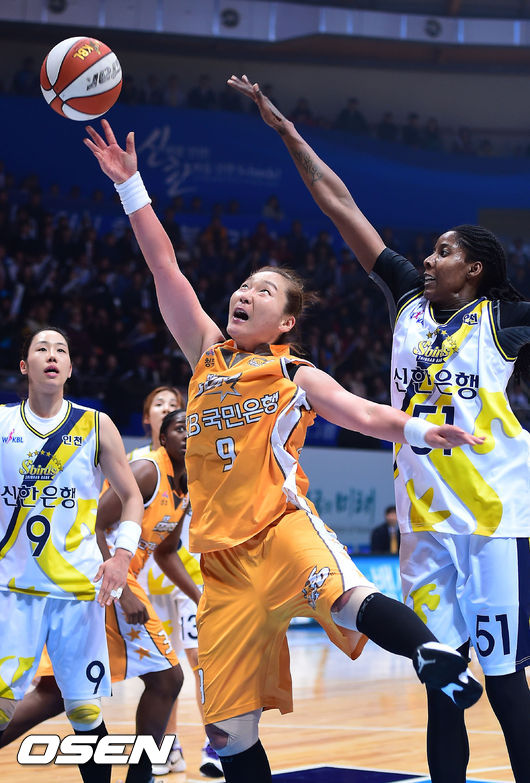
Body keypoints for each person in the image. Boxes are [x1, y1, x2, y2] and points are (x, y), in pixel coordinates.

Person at [83, 118, 485, 783]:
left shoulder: (293, 372)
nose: (245, 293)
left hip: (281, 529)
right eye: (244, 286)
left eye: (263, 291)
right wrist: (131, 186)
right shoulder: (205, 354)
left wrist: (420, 430)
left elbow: (362, 413)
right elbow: (164, 265)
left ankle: (431, 656)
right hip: (221, 565)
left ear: (287, 321)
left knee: (348, 596)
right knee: (230, 735)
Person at [228, 75, 530, 783]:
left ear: (475, 268)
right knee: (443, 682)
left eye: (444, 252)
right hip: (423, 526)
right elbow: (341, 205)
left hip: (495, 523)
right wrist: (288, 133)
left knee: (507, 681)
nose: (427, 259)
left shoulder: (506, 320)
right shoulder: (406, 301)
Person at [0, 409, 194, 783]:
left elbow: (167, 551)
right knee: (167, 679)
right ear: (161, 436)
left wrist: (199, 598)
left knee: (58, 694)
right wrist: (122, 591)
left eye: (192, 427)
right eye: (179, 427)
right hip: (107, 580)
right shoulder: (147, 471)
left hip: (109, 583)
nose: (188, 434)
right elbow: (95, 524)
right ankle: (141, 777)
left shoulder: (186, 484)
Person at [0, 326, 144, 783]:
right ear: (24, 366)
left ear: (69, 368)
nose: (52, 355)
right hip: (11, 589)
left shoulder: (95, 425)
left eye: (60, 349)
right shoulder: (2, 423)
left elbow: (132, 496)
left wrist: (121, 556)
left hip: (77, 591)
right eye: (41, 348)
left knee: (83, 710)